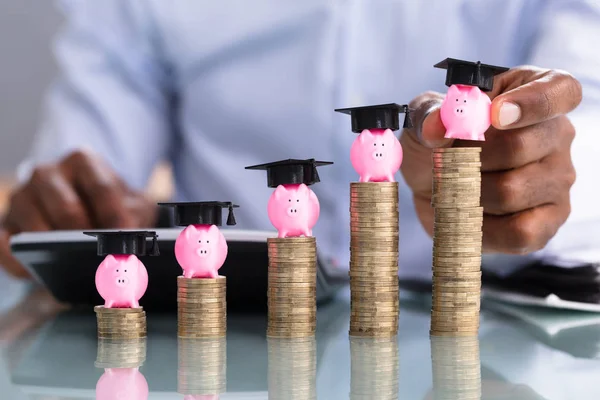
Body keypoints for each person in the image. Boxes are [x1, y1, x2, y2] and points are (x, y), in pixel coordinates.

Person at [1, 0, 598, 284]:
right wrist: (73, 208)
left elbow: (582, 114)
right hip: (229, 324)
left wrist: (534, 165)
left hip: (498, 307)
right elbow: (80, 171)